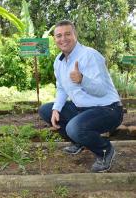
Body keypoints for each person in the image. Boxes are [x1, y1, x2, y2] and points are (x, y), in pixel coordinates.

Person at [39, 20, 123, 173]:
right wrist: (56, 109)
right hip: (82, 109)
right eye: (59, 35)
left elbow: (102, 90)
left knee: (74, 127)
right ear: (55, 39)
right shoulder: (59, 62)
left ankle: (105, 151)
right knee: (46, 110)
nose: (63, 39)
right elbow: (62, 88)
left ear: (75, 35)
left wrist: (82, 79)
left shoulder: (90, 55)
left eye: (67, 34)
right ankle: (78, 142)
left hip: (108, 109)